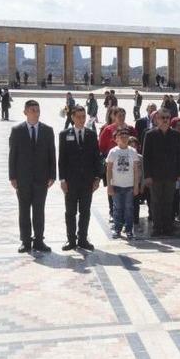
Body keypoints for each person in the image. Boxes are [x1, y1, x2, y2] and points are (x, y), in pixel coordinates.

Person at [8, 100, 56, 253]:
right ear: (25, 112)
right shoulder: (17, 130)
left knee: (39, 210)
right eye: (33, 110)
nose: (36, 112)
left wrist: (52, 175)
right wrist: (12, 177)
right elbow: (12, 155)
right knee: (24, 210)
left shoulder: (47, 130)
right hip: (23, 179)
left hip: (41, 179)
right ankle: (25, 241)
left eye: (37, 110)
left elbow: (52, 154)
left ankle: (39, 240)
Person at [58, 105, 101, 251]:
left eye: (83, 117)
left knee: (85, 211)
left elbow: (97, 157)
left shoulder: (91, 134)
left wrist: (97, 178)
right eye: (78, 117)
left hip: (87, 181)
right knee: (70, 212)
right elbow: (61, 159)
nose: (82, 120)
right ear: (72, 117)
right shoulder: (64, 134)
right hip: (70, 181)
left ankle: (83, 239)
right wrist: (62, 180)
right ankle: (71, 240)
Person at [143, 108, 180, 237]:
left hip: (171, 175)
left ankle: (168, 227)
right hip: (155, 176)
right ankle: (157, 227)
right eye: (163, 118)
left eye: (167, 118)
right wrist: (147, 176)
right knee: (156, 202)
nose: (165, 120)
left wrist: (179, 173)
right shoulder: (150, 135)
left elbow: (179, 155)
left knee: (168, 201)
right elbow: (146, 157)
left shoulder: (176, 135)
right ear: (157, 119)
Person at [106, 128, 140, 239]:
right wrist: (109, 185)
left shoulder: (132, 151)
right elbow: (109, 170)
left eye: (126, 136)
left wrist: (136, 185)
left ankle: (129, 229)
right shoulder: (113, 152)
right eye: (121, 136)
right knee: (117, 208)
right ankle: (117, 229)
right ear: (116, 139)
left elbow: (136, 170)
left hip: (129, 185)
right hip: (116, 185)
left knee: (129, 208)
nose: (124, 138)